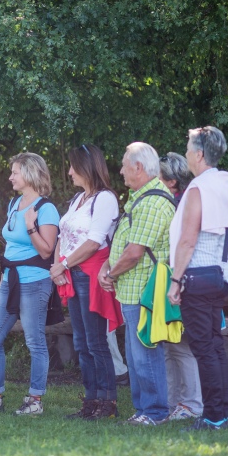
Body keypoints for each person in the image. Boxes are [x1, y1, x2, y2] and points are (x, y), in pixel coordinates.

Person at [0, 153, 59, 415]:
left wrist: (31, 228)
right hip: (10, 281)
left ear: (29, 174)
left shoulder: (45, 209)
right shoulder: (14, 203)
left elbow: (46, 251)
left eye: (15, 172)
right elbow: (11, 244)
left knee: (34, 342)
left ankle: (35, 401)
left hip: (35, 283)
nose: (10, 177)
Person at [167, 126, 228, 431]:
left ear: (199, 154)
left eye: (187, 148)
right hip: (220, 272)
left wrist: (176, 280)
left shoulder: (198, 189)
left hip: (198, 275)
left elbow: (187, 239)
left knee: (203, 346)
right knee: (212, 344)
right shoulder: (223, 182)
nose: (185, 153)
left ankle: (213, 416)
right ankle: (220, 411)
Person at [99, 142, 175, 425]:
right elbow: (124, 243)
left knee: (145, 355)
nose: (120, 170)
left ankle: (155, 412)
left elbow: (134, 252)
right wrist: (109, 266)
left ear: (138, 168)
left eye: (123, 165)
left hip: (144, 290)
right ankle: (143, 410)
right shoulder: (139, 199)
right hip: (133, 289)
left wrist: (110, 273)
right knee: (135, 355)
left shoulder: (153, 202)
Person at [49, 144, 122, 420]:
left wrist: (64, 264)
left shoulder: (105, 199)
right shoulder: (77, 199)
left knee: (95, 342)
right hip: (71, 274)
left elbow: (94, 242)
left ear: (86, 167)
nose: (69, 172)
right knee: (81, 342)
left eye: (72, 166)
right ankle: (90, 400)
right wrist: (57, 266)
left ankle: (107, 402)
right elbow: (61, 237)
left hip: (90, 275)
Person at [158, 153, 203, 421]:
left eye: (159, 177)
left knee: (181, 344)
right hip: (167, 277)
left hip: (182, 278)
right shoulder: (173, 200)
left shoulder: (182, 203)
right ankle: (172, 401)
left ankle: (192, 403)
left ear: (172, 181)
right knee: (167, 342)